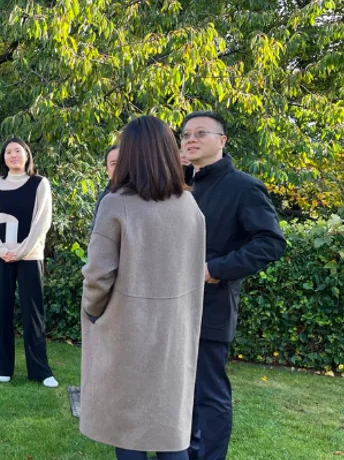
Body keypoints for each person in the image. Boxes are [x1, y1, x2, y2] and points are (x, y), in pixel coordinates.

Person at [79, 116, 206, 460]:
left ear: (131, 155)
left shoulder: (115, 203)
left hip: (126, 329)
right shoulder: (190, 206)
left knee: (129, 427)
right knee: (170, 429)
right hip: (175, 332)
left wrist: (92, 312)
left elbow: (97, 277)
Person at [180, 111, 285, 460]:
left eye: (200, 133)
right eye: (185, 134)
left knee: (209, 393)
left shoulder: (244, 186)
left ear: (222, 141)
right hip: (171, 304)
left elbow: (271, 242)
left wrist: (216, 268)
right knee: (180, 390)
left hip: (212, 304)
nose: (190, 139)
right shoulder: (179, 185)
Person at [0, 137, 58, 388]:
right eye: (8, 152)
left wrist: (21, 251)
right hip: (1, 257)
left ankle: (40, 370)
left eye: (18, 151)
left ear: (27, 155)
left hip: (29, 256)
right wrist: (1, 250)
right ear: (3, 159)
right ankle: (3, 367)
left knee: (33, 313)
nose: (13, 155)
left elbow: (41, 222)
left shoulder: (40, 184)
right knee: (2, 311)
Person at [91, 144, 119, 231]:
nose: (118, 167)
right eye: (113, 164)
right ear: (107, 170)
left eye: (122, 162)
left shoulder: (142, 194)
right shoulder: (104, 199)